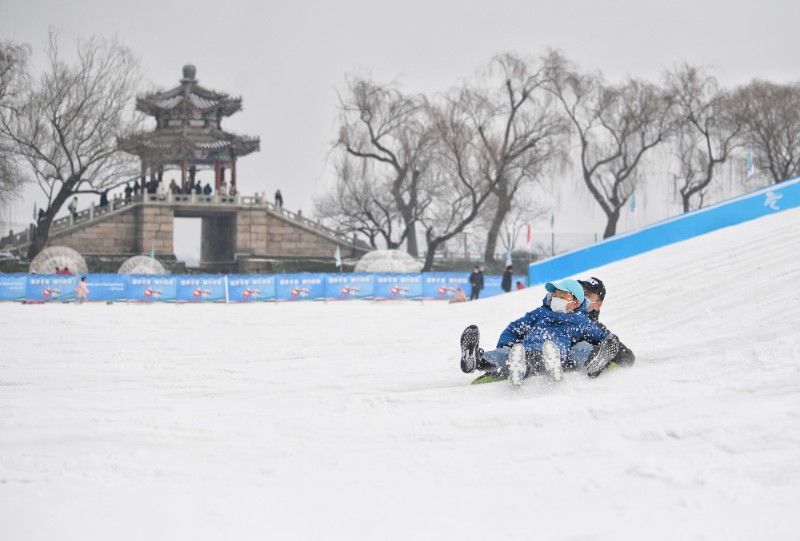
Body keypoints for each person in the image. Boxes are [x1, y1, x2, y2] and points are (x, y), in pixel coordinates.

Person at [459, 279, 624, 385]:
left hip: (557, 353)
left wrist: (610, 342)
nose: (556, 297)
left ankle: (595, 361)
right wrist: (506, 345)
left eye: (562, 295)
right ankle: (477, 359)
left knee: (581, 349)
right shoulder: (540, 312)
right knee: (506, 355)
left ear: (575, 303)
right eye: (555, 293)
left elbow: (599, 335)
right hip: (526, 349)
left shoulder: (580, 320)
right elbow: (515, 327)